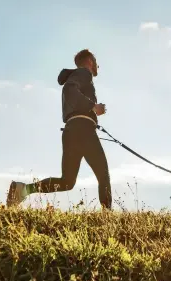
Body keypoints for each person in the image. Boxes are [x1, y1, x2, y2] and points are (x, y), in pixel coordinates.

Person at [6, 49, 112, 209]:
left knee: (67, 182)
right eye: (96, 61)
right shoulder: (84, 73)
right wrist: (93, 106)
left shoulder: (77, 75)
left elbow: (70, 92)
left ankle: (23, 189)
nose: (98, 65)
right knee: (103, 175)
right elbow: (69, 90)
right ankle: (107, 218)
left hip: (71, 131)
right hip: (83, 130)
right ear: (90, 61)